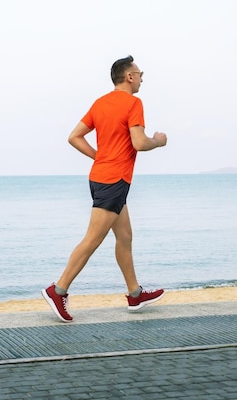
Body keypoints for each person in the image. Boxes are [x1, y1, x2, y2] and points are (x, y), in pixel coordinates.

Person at [41, 55, 168, 322]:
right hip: (114, 181)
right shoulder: (134, 103)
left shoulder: (100, 103)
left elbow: (74, 137)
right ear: (129, 77)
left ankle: (135, 295)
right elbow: (139, 143)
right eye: (139, 73)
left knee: (124, 237)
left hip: (102, 177)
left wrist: (99, 156)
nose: (142, 78)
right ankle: (58, 289)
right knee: (93, 238)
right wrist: (157, 141)